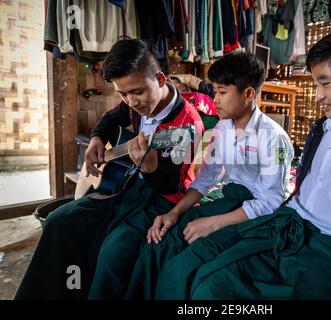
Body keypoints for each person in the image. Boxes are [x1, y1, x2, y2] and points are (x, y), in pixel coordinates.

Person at [153, 27, 331, 300]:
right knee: (197, 274)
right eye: (316, 84)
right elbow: (210, 177)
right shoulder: (321, 128)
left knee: (215, 289)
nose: (318, 94)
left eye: (325, 83)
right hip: (285, 223)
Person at [15, 39, 203, 299]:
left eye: (136, 92)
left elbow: (172, 186)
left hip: (165, 200)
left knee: (114, 251)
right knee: (60, 221)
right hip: (129, 186)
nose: (131, 101)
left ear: (160, 79)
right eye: (122, 94)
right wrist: (97, 139)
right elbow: (111, 118)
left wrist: (150, 169)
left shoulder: (187, 125)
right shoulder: (133, 103)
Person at [124, 51, 294, 299]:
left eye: (222, 92)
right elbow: (205, 179)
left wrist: (214, 222)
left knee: (183, 265)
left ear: (248, 94)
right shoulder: (222, 129)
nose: (215, 99)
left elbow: (270, 201)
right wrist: (174, 212)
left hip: (255, 217)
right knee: (159, 242)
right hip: (229, 202)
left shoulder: (273, 138)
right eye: (215, 91)